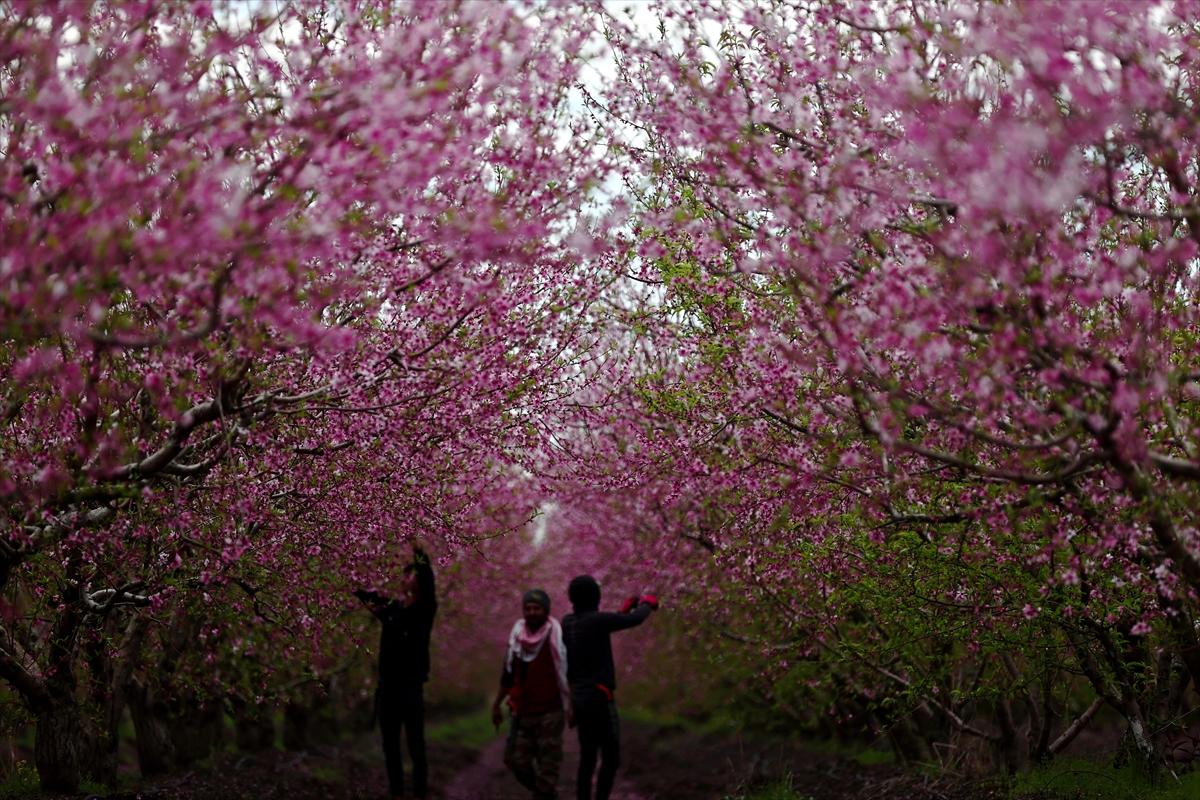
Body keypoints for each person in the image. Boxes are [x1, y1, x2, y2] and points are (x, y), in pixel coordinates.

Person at [561, 575, 658, 800]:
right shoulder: (597, 621)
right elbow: (636, 620)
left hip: (579, 698)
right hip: (600, 697)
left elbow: (595, 627)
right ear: (595, 596)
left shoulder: (567, 622)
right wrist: (647, 603)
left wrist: (619, 613)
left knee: (587, 757)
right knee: (611, 757)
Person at [354, 544, 437, 800]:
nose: (405, 579)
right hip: (388, 687)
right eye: (404, 575)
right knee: (390, 747)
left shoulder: (424, 609)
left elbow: (428, 576)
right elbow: (368, 597)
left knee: (416, 747)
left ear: (420, 580)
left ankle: (420, 793)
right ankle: (397, 793)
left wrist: (415, 545)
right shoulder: (394, 609)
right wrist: (350, 576)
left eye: (411, 574)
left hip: (411, 688)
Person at [492, 588, 573, 800]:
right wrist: (496, 704)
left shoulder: (558, 636)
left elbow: (568, 673)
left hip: (551, 712)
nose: (531, 612)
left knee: (548, 763)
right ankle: (545, 792)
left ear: (546, 610)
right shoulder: (516, 639)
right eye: (527, 608)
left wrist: (572, 705)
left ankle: (544, 793)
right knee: (515, 760)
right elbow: (507, 675)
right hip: (522, 712)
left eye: (536, 608)